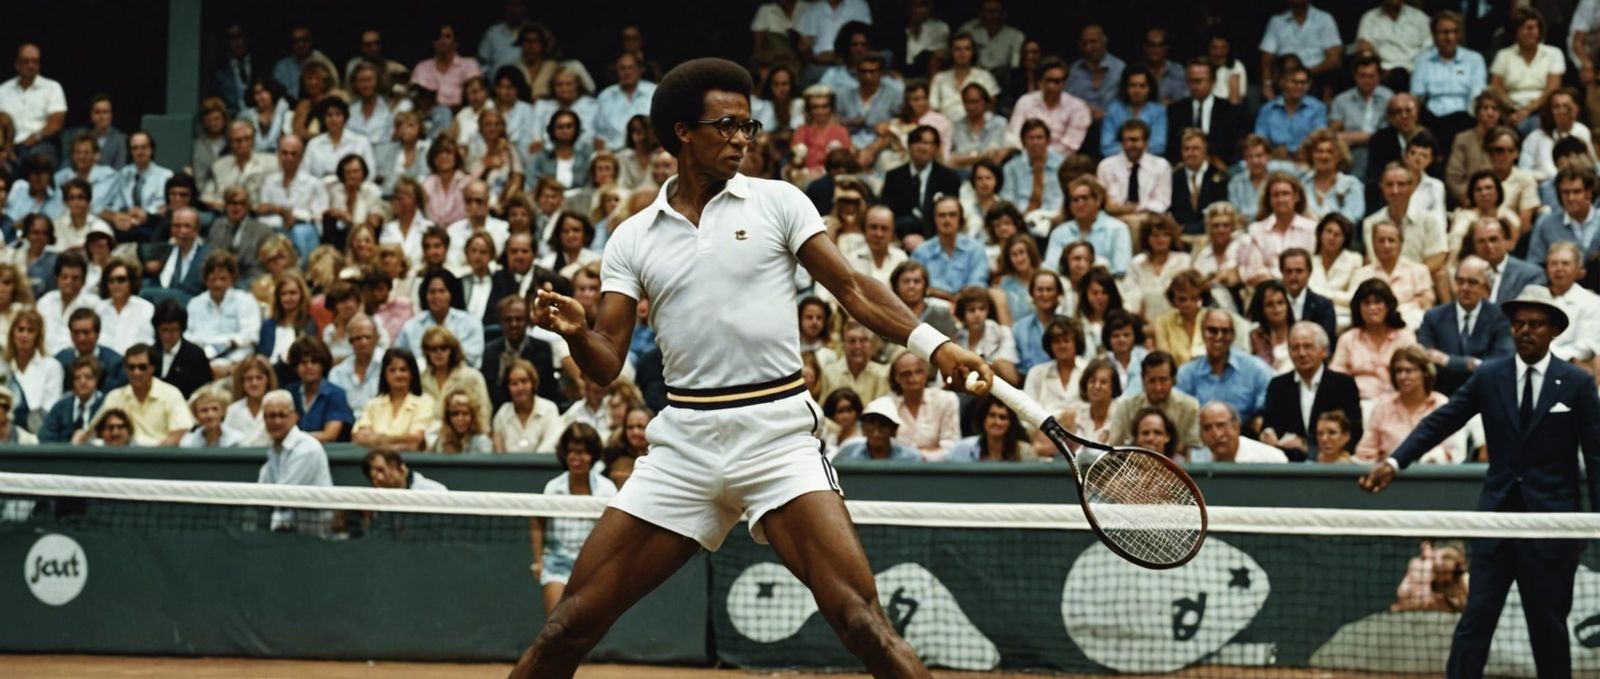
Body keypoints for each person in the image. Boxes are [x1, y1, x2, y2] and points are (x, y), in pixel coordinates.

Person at [512, 58, 990, 678]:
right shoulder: (633, 237)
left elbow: (853, 288)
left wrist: (934, 343)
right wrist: (577, 334)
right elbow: (605, 365)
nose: (742, 138)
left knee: (859, 620)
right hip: (684, 445)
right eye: (726, 125)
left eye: (749, 125)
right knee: (566, 628)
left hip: (777, 441)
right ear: (683, 132)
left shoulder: (779, 202)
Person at [1359, 286, 1600, 679]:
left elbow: (1596, 454)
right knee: (1476, 620)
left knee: (1549, 627)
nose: (1525, 331)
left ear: (1554, 330)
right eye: (1519, 323)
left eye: (1536, 324)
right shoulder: (1490, 376)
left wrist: (1594, 522)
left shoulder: (1576, 383)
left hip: (1552, 528)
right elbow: (1443, 419)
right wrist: (1395, 461)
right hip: (1495, 524)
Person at [531, 421, 618, 615]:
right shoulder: (553, 488)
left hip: (591, 567)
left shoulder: (606, 489)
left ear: (592, 455)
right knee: (555, 627)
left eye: (583, 452)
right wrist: (538, 561)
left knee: (580, 632)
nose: (577, 458)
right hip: (557, 563)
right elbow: (537, 520)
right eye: (572, 451)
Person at [1258, 322, 1362, 461]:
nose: (1301, 353)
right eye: (1295, 348)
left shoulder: (1343, 384)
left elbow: (1353, 432)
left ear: (1324, 351)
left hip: (1331, 463)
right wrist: (1267, 434)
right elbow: (1269, 425)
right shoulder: (1278, 385)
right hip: (1288, 464)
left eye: (1308, 346)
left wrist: (1309, 447)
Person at [1418, 256, 1513, 397]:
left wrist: (1448, 361)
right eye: (1460, 281)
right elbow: (1424, 356)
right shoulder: (1434, 316)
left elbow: (1501, 363)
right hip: (1442, 393)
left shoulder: (1500, 317)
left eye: (1473, 282)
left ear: (1486, 287)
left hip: (1485, 393)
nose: (1464, 288)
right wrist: (1473, 363)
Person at [1357, 345, 1462, 463]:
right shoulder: (1382, 407)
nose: (1402, 376)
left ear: (1425, 373)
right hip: (1389, 476)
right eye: (1398, 371)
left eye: (1409, 371)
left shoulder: (1442, 405)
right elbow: (1366, 453)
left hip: (1435, 475)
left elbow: (1454, 453)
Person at [1175, 308, 1272, 424]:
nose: (1219, 336)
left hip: (1243, 436)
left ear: (1233, 336)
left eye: (1225, 331)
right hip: (1200, 438)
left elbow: (1268, 406)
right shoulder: (1187, 373)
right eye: (1212, 330)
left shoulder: (1255, 369)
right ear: (1202, 332)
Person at [258, 389, 333, 533]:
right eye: (271, 416)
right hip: (287, 533)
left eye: (282, 415)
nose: (276, 421)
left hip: (313, 535)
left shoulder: (307, 448)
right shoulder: (273, 451)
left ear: (294, 417)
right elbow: (261, 491)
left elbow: (282, 495)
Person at [1410, 10, 1486, 151]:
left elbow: (1476, 95)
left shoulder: (1474, 59)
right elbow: (1416, 96)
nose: (1449, 37)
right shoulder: (1423, 60)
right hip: (1432, 117)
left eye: (1454, 32)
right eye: (1443, 32)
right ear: (1434, 35)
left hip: (1463, 116)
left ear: (1459, 35)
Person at [1332, 278, 1417, 401]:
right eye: (1366, 303)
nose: (1372, 307)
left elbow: (1415, 374)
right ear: (1358, 308)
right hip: (1358, 401)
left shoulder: (1405, 337)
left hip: (1397, 400)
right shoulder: (1348, 339)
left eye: (1378, 302)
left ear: (1388, 306)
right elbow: (1336, 378)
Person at [93, 343, 192, 446]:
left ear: (152, 368)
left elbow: (179, 432)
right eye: (131, 367)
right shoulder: (114, 397)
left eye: (142, 367)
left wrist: (153, 455)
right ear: (126, 369)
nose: (136, 372)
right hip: (123, 457)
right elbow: (97, 431)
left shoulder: (171, 394)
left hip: (161, 457)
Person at [1107, 351, 1200, 455]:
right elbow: (1113, 449)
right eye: (1152, 381)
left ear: (1173, 380)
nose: (1158, 387)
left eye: (1163, 380)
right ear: (1143, 380)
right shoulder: (1126, 408)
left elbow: (1194, 450)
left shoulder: (1190, 407)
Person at [1354, 220, 1437, 327]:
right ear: (1373, 244)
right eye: (1381, 240)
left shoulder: (1419, 270)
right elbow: (1357, 306)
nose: (1386, 245)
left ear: (1400, 244)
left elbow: (1427, 305)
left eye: (1391, 240)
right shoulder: (1362, 274)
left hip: (1411, 327)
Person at [397, 268, 485, 369]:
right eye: (432, 292)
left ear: (451, 294)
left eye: (442, 291)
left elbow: (474, 361)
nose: (436, 296)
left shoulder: (471, 323)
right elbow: (399, 359)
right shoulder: (411, 326)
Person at [1239, 172, 1316, 286]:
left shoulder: (1312, 228)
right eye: (1276, 195)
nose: (1281, 200)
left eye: (1286, 194)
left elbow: (1315, 266)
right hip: (1268, 290)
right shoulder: (1256, 230)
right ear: (1269, 200)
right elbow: (1253, 271)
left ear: (1297, 197)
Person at [352, 348, 435, 451]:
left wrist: (379, 439)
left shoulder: (425, 402)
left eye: (403, 370)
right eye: (392, 370)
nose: (398, 375)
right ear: (385, 375)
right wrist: (398, 442)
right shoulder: (372, 404)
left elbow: (416, 439)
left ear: (412, 373)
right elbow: (359, 437)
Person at [1258, 1, 1342, 99]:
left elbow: (1335, 60)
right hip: (1283, 82)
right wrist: (1267, 84)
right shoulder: (1276, 22)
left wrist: (1304, 74)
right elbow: (1267, 58)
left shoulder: (1325, 19)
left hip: (1316, 80)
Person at [1009, 56, 1090, 159]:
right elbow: (1014, 135)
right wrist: (1028, 154)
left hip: (1061, 161)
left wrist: (1043, 155)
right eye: (1048, 80)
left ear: (1064, 83)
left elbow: (1071, 145)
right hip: (1024, 157)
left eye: (1057, 81)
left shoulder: (1078, 107)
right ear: (1040, 82)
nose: (1052, 86)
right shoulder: (1025, 101)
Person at [0, 44, 66, 164]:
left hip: (40, 143)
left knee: (35, 161)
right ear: (17, 65)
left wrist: (36, 137)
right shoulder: (3, 90)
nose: (30, 65)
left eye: (34, 61)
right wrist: (5, 146)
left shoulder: (52, 87)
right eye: (26, 61)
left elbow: (57, 123)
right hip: (8, 146)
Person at [1097, 119, 1171, 220]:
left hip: (1149, 220)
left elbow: (1162, 202)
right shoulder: (1105, 166)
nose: (1129, 145)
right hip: (1114, 220)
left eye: (1134, 140)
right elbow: (1103, 202)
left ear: (1146, 142)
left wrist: (1134, 209)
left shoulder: (1161, 166)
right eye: (1125, 140)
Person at [1528, 167, 1600, 268]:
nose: (1571, 198)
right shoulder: (1545, 224)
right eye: (1566, 192)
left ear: (1589, 193)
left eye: (1577, 192)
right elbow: (1534, 265)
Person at [287, 336, 353, 444]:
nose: (309, 367)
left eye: (314, 362)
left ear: (323, 364)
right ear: (296, 367)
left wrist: (292, 438)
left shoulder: (336, 394)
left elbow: (329, 436)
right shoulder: (289, 393)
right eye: (303, 362)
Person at [1023, 315, 1087, 421]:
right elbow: (1026, 411)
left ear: (1076, 343)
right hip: (1044, 432)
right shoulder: (1036, 373)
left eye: (1066, 341)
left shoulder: (1089, 371)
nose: (1061, 345)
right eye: (1057, 341)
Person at [1254, 64, 1327, 156]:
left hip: (1306, 158)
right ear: (1282, 83)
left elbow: (1320, 136)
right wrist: (1273, 153)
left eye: (1303, 82)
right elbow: (1260, 140)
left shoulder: (1317, 107)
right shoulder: (1267, 109)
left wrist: (1301, 151)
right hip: (1274, 159)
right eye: (1294, 82)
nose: (1299, 86)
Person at [35, 252, 99, 357]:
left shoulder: (94, 304)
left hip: (77, 361)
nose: (68, 282)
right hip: (44, 360)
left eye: (75, 278)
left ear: (83, 281)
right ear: (57, 278)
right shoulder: (45, 301)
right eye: (64, 277)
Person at [493, 358, 562, 453]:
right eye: (514, 383)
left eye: (524, 381)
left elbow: (550, 446)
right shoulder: (502, 413)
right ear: (508, 387)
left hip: (542, 466)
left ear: (533, 383)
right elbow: (498, 453)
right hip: (509, 467)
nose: (520, 388)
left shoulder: (549, 409)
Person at [1471, 217, 1544, 304]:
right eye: (1481, 241)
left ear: (1505, 241)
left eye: (1493, 239)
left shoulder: (1530, 275)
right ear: (1475, 245)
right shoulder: (1469, 274)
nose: (1488, 245)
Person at [7, 308, 59, 428]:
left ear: (38, 336)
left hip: (36, 431)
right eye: (20, 329)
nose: (24, 335)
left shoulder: (51, 367)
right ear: (12, 333)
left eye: (30, 331)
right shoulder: (4, 365)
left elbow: (50, 409)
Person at [1298, 130, 1365, 224]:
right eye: (1319, 151)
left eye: (1330, 152)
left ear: (1338, 156)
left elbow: (1350, 219)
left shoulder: (1351, 184)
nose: (1324, 156)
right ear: (1311, 155)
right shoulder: (1301, 185)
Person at [1170, 129, 1229, 235]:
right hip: (1178, 236)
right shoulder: (1173, 178)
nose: (1191, 153)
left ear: (1205, 150)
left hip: (1210, 233)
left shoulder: (1219, 177)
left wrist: (1190, 229)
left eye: (1195, 149)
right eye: (1186, 149)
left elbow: (1220, 210)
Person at [56, 306, 126, 392]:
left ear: (97, 334)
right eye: (76, 332)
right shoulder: (60, 361)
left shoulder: (115, 364)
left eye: (86, 332)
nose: (81, 338)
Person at [834, 398, 922, 462]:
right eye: (870, 423)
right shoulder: (847, 453)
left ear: (893, 430)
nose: (876, 432)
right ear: (863, 428)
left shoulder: (911, 458)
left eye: (883, 425)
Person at [948, 396, 1034, 462]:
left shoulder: (1025, 452)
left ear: (1011, 423)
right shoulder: (963, 448)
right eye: (992, 415)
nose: (997, 422)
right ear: (983, 418)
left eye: (1003, 417)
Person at [40, 354, 103, 443]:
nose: (82, 382)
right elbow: (45, 439)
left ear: (97, 379)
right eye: (77, 378)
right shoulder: (60, 407)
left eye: (88, 377)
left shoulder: (105, 405)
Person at [1198, 401, 1288, 463]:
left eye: (1221, 425)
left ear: (1236, 427)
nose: (1216, 434)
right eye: (1207, 428)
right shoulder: (1197, 463)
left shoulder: (1271, 459)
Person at [431, 387, 492, 454]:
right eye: (455, 414)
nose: (460, 418)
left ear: (473, 416)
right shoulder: (441, 441)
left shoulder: (482, 442)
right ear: (448, 417)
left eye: (465, 413)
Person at [363, 449, 448, 491]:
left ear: (399, 468)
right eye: (373, 477)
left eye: (380, 470)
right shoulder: (372, 500)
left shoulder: (436, 491)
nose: (378, 479)